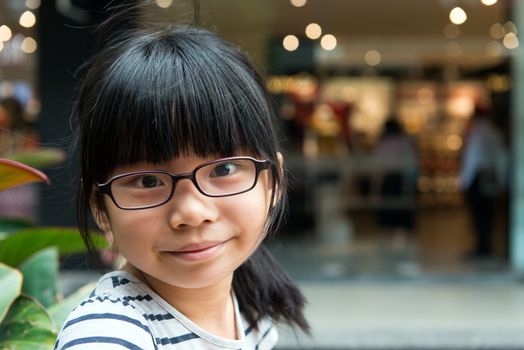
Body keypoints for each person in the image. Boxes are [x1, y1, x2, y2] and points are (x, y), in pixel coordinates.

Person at [54, 21, 309, 349]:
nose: (191, 212)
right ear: (100, 207)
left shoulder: (249, 309)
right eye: (148, 181)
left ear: (273, 181)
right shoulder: (109, 335)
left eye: (223, 169)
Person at [459, 106, 508, 259]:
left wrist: (464, 182)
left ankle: (482, 247)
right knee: (489, 214)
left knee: (479, 214)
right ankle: (486, 246)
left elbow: (471, 160)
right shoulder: (495, 132)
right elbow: (502, 158)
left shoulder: (477, 134)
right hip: (491, 176)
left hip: (479, 178)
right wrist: (502, 179)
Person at [371, 118, 418, 250]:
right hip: (403, 181)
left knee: (388, 214)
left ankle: (388, 247)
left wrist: (375, 190)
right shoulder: (406, 142)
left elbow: (378, 169)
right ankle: (402, 245)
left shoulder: (383, 144)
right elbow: (413, 165)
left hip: (388, 181)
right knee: (402, 215)